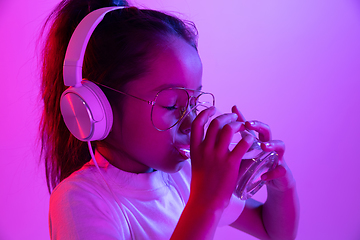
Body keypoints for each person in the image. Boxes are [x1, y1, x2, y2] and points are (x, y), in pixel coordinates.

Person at [40, 0, 299, 239]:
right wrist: (207, 201)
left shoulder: (184, 176)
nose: (190, 123)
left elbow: (273, 230)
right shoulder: (80, 200)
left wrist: (279, 184)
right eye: (172, 105)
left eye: (194, 102)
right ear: (99, 109)